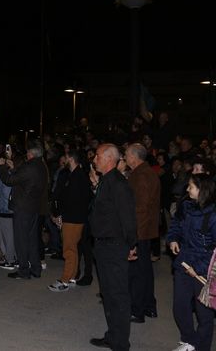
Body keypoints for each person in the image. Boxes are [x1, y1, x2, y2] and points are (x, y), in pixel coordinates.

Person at [89, 144, 137, 351]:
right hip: (102, 245)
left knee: (117, 296)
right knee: (108, 294)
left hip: (114, 246)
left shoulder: (118, 183)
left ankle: (120, 343)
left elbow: (128, 217)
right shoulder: (106, 181)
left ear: (109, 159)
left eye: (98, 156)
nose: (94, 159)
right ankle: (113, 335)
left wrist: (131, 245)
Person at [167, 173, 216, 351]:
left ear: (202, 190)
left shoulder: (213, 215)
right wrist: (172, 239)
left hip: (204, 270)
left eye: (191, 187)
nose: (187, 189)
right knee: (180, 307)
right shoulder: (186, 206)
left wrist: (199, 269)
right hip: (183, 263)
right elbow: (175, 225)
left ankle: (202, 347)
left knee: (204, 314)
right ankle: (189, 341)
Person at [0, 140, 49, 280]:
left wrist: (2, 167)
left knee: (21, 240)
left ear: (31, 154)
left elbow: (9, 180)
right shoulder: (41, 166)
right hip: (34, 207)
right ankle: (36, 269)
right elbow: (22, 179)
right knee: (32, 240)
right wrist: (14, 168)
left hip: (23, 208)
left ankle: (24, 271)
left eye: (27, 152)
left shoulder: (29, 166)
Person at [124, 143, 161, 322]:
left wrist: (134, 238)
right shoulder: (144, 173)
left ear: (134, 157)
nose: (124, 158)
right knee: (145, 270)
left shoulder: (141, 176)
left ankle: (137, 310)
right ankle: (148, 306)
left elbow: (141, 209)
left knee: (137, 272)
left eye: (126, 155)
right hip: (145, 231)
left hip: (141, 231)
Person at [48, 149, 92, 292]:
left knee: (69, 250)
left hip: (73, 219)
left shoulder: (77, 177)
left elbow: (73, 201)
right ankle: (72, 276)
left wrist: (61, 216)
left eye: (66, 157)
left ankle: (65, 280)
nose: (64, 160)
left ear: (71, 159)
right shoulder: (75, 175)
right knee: (72, 248)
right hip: (74, 218)